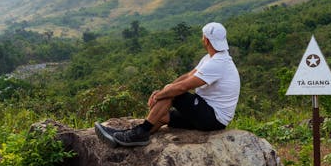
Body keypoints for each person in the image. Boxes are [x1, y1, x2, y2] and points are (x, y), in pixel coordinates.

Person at [95, 22, 241, 147]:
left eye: (203, 36)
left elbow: (183, 87)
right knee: (163, 116)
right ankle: (129, 136)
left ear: (207, 40)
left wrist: (160, 94)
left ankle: (140, 133)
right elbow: (188, 76)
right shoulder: (210, 58)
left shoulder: (218, 63)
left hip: (213, 118)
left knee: (173, 94)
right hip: (207, 115)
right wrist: (166, 88)